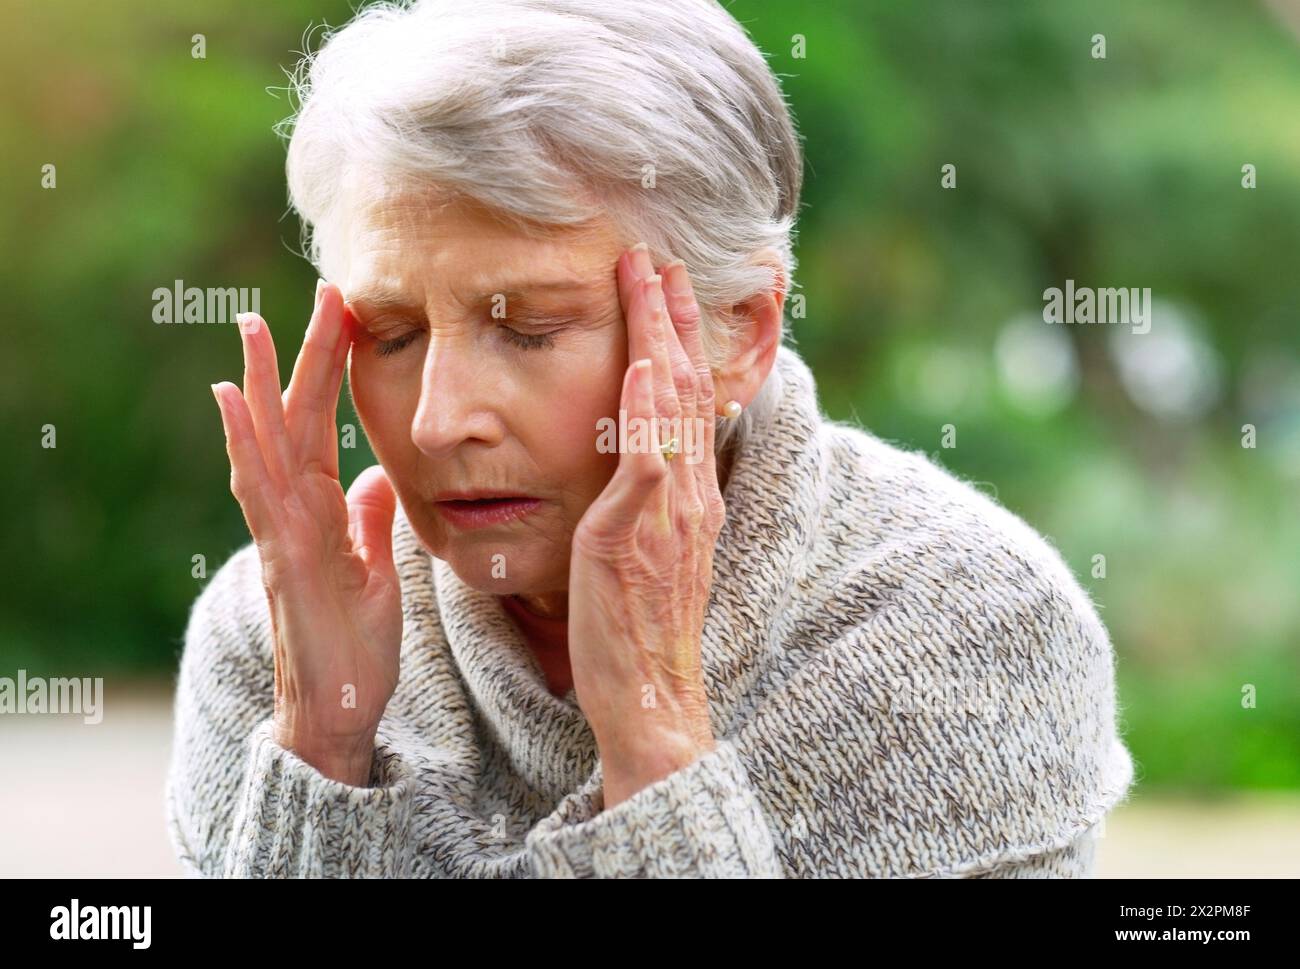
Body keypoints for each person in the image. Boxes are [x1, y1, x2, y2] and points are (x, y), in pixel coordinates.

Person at [165, 0, 1134, 878]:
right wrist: (319, 745)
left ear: (740, 332)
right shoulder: (273, 626)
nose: (436, 419)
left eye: (531, 329)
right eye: (392, 335)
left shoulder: (969, 627)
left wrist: (654, 737)